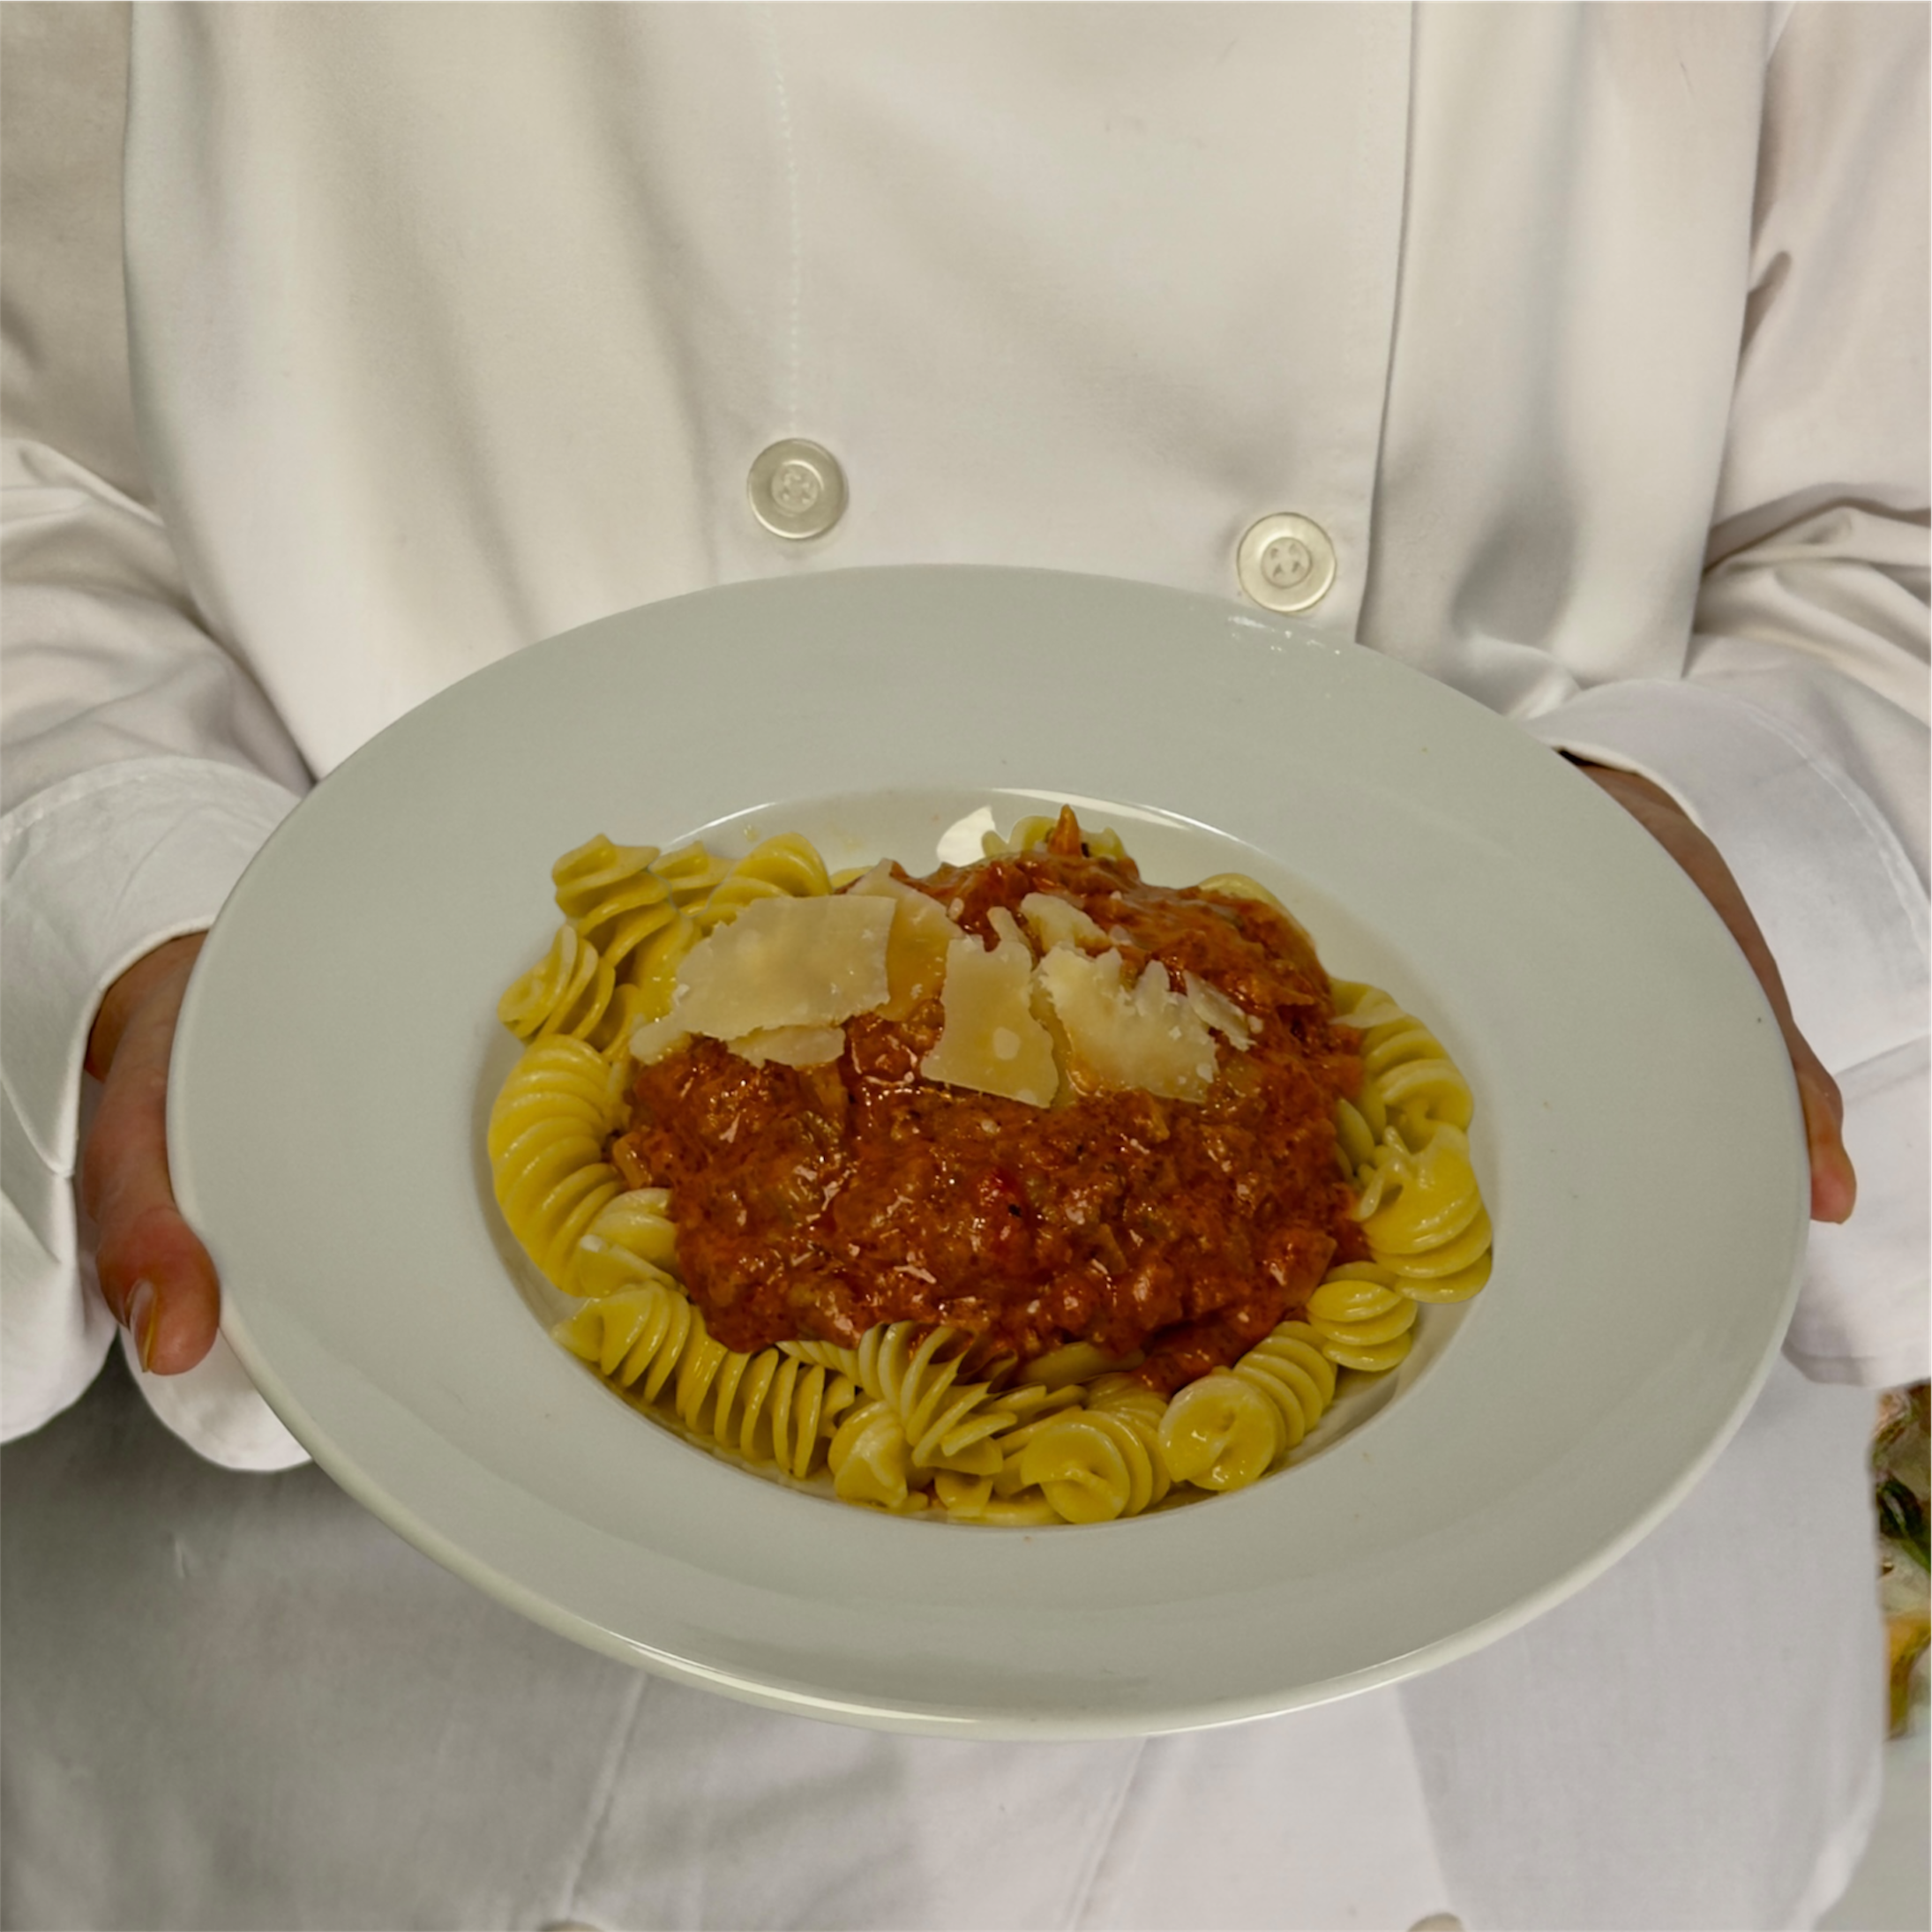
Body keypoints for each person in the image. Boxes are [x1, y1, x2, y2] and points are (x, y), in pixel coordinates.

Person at [2, 4, 1924, 1927]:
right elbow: (39, 488)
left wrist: (1683, 877)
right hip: (421, 1635)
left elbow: (1886, 517)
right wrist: (152, 909)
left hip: (1522, 1646)